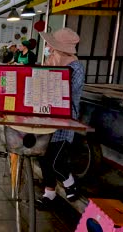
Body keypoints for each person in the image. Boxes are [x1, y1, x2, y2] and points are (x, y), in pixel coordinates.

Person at [36, 28, 84, 208]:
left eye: (51, 45)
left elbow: (66, 92)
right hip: (45, 117)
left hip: (64, 120)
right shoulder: (51, 62)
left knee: (55, 160)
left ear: (61, 48)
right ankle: (49, 193)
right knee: (42, 156)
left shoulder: (75, 67)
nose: (48, 47)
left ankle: (70, 183)